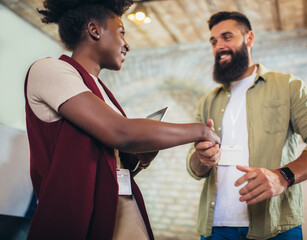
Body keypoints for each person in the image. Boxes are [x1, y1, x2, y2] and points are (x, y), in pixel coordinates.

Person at [24, 1, 220, 239]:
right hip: (76, 217)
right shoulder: (50, 69)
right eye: (121, 32)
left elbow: (106, 166)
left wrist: (139, 160)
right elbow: (120, 132)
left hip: (119, 206)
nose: (127, 44)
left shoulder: (101, 91)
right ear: (95, 30)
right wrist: (200, 130)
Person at [186, 11, 307, 240]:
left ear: (249, 38)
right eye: (213, 41)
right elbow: (193, 167)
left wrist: (282, 177)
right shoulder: (207, 101)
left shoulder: (289, 86)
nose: (218, 45)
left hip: (277, 227)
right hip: (215, 228)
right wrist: (201, 159)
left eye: (226, 37)